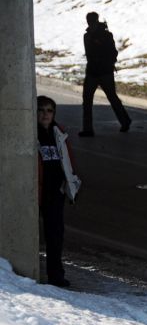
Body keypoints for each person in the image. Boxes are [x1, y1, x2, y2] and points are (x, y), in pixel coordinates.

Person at [37, 95, 82, 287]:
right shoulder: (30, 132)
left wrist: (70, 182)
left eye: (49, 110)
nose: (45, 114)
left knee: (55, 234)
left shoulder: (58, 133)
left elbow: (67, 159)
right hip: (36, 190)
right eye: (41, 110)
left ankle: (56, 275)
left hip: (55, 192)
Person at [79, 12, 131, 137]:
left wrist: (106, 63)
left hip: (104, 72)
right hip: (93, 71)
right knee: (87, 100)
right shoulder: (87, 36)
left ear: (96, 21)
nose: (90, 23)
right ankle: (88, 129)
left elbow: (113, 52)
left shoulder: (106, 35)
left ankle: (125, 121)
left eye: (91, 20)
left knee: (112, 97)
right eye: (89, 20)